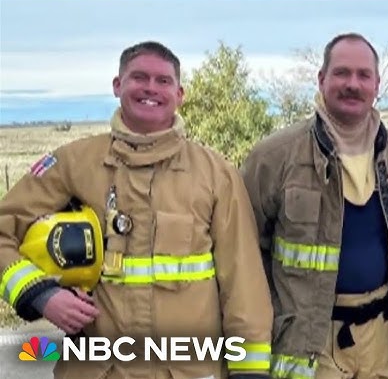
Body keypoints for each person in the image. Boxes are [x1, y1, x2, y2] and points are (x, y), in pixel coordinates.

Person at [0, 41, 273, 379]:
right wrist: (41, 295)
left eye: (163, 81)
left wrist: (250, 371)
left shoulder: (216, 173)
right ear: (117, 85)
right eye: (138, 77)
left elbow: (243, 281)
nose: (150, 88)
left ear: (180, 93)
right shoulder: (73, 164)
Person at [240, 32, 388, 379]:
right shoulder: (274, 157)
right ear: (321, 79)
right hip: (310, 342)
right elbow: (243, 254)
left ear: (377, 84)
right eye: (341, 73)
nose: (353, 84)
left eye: (363, 75)